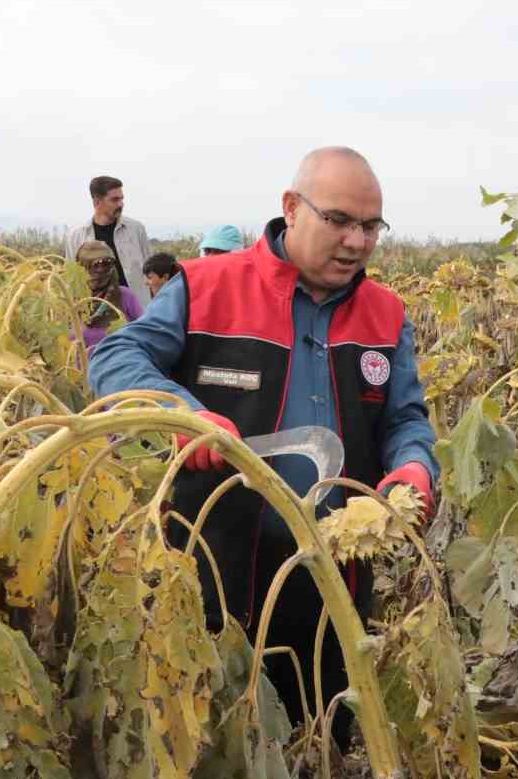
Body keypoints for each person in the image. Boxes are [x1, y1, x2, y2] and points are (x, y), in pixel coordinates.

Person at [89, 146, 438, 743]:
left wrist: (413, 466)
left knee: (319, 728)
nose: (356, 241)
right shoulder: (206, 287)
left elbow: (405, 417)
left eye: (370, 226)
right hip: (213, 568)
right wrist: (185, 414)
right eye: (338, 220)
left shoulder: (385, 314)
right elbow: (115, 356)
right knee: (215, 734)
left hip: (333, 574)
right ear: (291, 209)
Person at [65, 176, 153, 307]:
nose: (120, 204)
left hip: (136, 311)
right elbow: (72, 280)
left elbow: (151, 270)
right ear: (97, 202)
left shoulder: (136, 229)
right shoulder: (76, 236)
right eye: (114, 200)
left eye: (121, 199)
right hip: (96, 313)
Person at [73, 241, 142, 351]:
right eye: (94, 265)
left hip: (118, 365)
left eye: (106, 263)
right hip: (77, 367)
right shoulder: (69, 299)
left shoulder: (125, 296)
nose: (100, 269)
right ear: (81, 267)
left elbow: (144, 332)